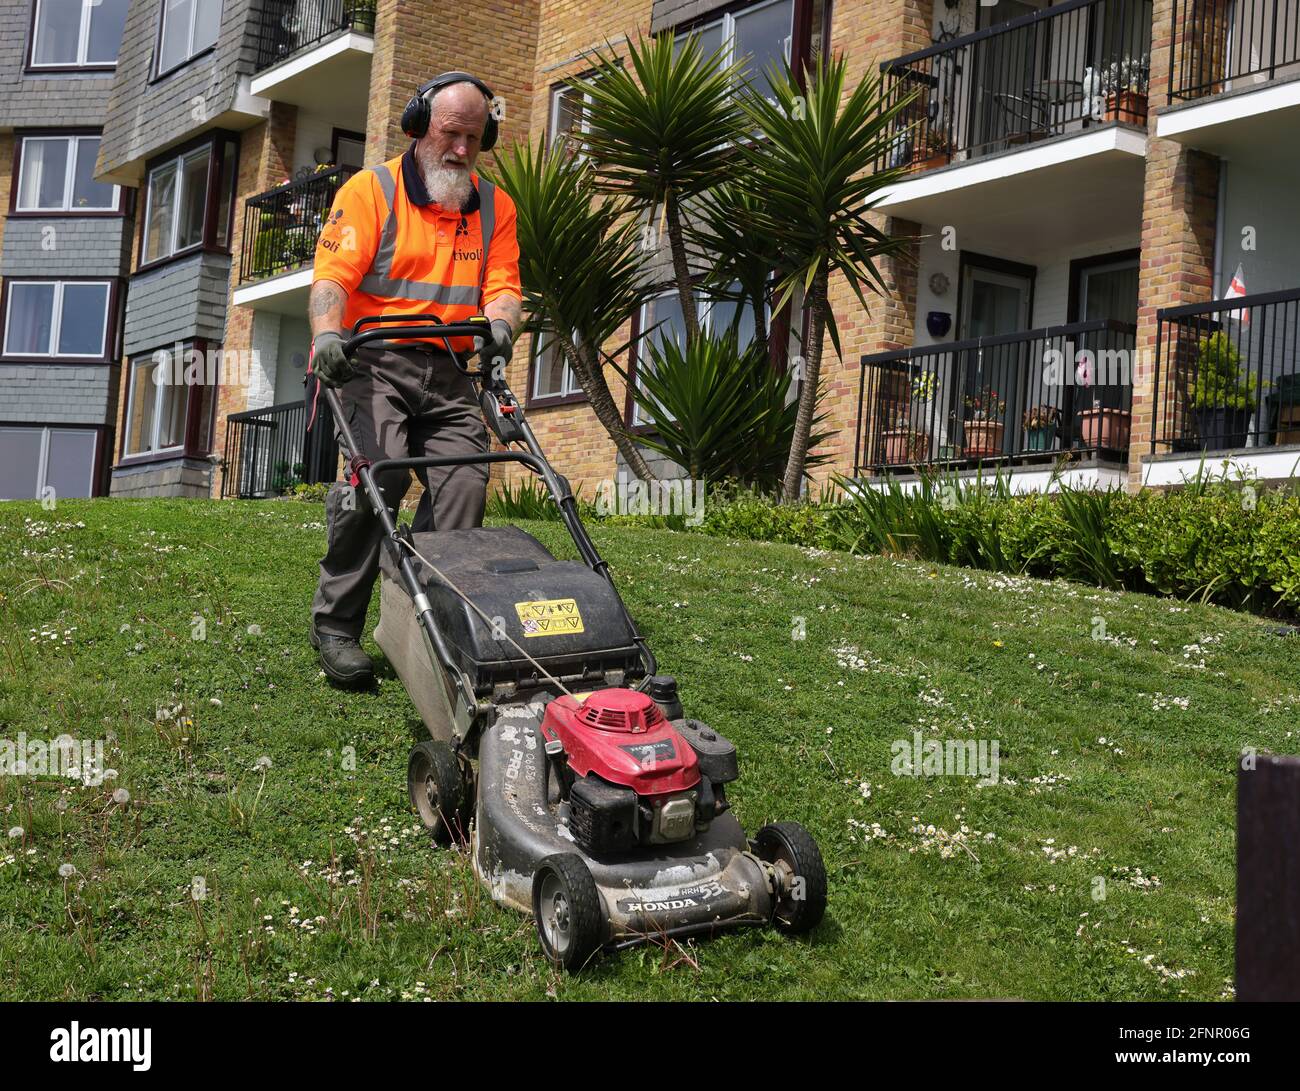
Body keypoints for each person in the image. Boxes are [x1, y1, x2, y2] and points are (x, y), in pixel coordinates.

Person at [306, 71, 522, 685]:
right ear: (418, 126)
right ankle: (337, 627)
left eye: (473, 139)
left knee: (463, 491)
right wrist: (327, 333)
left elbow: (504, 288)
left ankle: (416, 618)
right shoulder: (371, 190)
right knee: (376, 478)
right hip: (371, 362)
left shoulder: (494, 207)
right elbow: (332, 278)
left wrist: (503, 323)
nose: (461, 150)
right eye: (451, 134)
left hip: (454, 371)